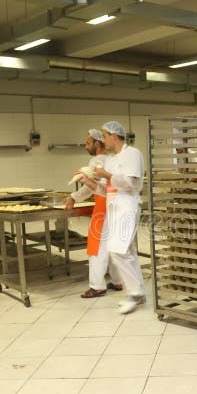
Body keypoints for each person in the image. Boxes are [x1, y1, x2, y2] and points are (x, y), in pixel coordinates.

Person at [88, 120, 146, 314]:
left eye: (104, 136)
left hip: (127, 207)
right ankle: (139, 292)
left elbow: (131, 183)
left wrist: (106, 174)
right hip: (114, 208)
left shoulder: (132, 154)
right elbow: (107, 189)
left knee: (117, 251)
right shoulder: (111, 160)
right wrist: (90, 182)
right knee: (127, 251)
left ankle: (134, 293)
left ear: (114, 136)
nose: (103, 141)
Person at [64, 129, 123, 297]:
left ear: (97, 144)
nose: (86, 146)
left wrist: (74, 197)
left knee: (96, 247)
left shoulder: (96, 161)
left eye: (88, 143)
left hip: (103, 208)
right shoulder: (113, 159)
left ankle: (97, 286)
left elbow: (89, 187)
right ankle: (117, 281)